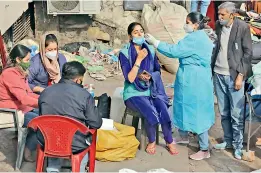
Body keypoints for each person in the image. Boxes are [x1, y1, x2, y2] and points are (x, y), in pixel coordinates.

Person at [145, 12, 215, 160]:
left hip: (196, 80)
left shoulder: (195, 39)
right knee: (182, 105)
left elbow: (174, 51)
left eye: (187, 22)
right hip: (190, 78)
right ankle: (183, 136)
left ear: (195, 25)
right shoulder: (199, 37)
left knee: (197, 113)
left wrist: (156, 42)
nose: (185, 25)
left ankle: (204, 148)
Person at [118, 22, 178, 155]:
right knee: (150, 111)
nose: (139, 34)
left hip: (151, 89)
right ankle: (151, 140)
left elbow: (157, 70)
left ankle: (169, 141)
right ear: (130, 36)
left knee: (162, 108)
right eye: (136, 32)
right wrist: (138, 60)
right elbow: (130, 78)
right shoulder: (124, 53)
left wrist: (150, 76)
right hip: (133, 93)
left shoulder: (150, 49)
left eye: (141, 31)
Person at [38, 61, 102, 173]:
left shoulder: (46, 91)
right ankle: (79, 169)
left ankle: (52, 169)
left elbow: (42, 114)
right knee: (81, 150)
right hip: (75, 143)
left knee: (55, 137)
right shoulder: (84, 95)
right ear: (78, 80)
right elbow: (96, 123)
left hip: (48, 139)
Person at [211, 2, 252, 160]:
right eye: (219, 14)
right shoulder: (218, 26)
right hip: (218, 73)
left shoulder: (242, 27)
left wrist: (241, 75)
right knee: (224, 112)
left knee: (236, 113)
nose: (219, 17)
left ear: (232, 15)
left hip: (234, 76)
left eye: (222, 15)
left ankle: (237, 145)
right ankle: (228, 140)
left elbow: (247, 53)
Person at [0, 44, 39, 162]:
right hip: (12, 112)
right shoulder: (10, 74)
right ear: (18, 59)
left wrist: (44, 99)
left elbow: (28, 93)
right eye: (27, 60)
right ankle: (27, 148)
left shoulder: (20, 72)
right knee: (43, 121)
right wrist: (43, 103)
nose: (29, 63)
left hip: (22, 108)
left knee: (47, 113)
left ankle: (27, 146)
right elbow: (24, 99)